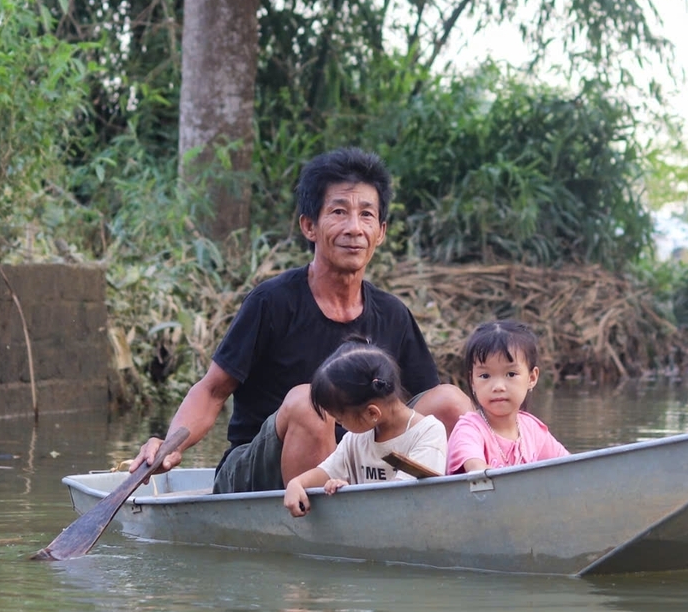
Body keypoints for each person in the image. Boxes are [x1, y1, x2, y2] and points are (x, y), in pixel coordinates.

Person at [134, 147, 473, 493]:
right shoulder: (271, 302)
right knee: (307, 403)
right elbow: (211, 391)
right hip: (259, 470)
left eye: (366, 215)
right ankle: (317, 529)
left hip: (353, 470)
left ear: (381, 231)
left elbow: (422, 409)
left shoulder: (393, 314)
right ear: (309, 226)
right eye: (339, 212)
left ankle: (457, 510)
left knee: (450, 401)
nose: (354, 228)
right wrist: (168, 446)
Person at [282, 343, 448, 517]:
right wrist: (297, 483)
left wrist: (353, 494)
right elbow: (325, 472)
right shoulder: (355, 439)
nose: (339, 424)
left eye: (340, 418)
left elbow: (402, 497)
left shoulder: (427, 432)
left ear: (372, 413)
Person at [446, 321, 569, 474]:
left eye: (511, 374)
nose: (498, 387)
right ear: (472, 381)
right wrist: (479, 468)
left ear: (532, 378)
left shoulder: (532, 429)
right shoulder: (469, 429)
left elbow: (570, 468)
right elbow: (475, 468)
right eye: (485, 376)